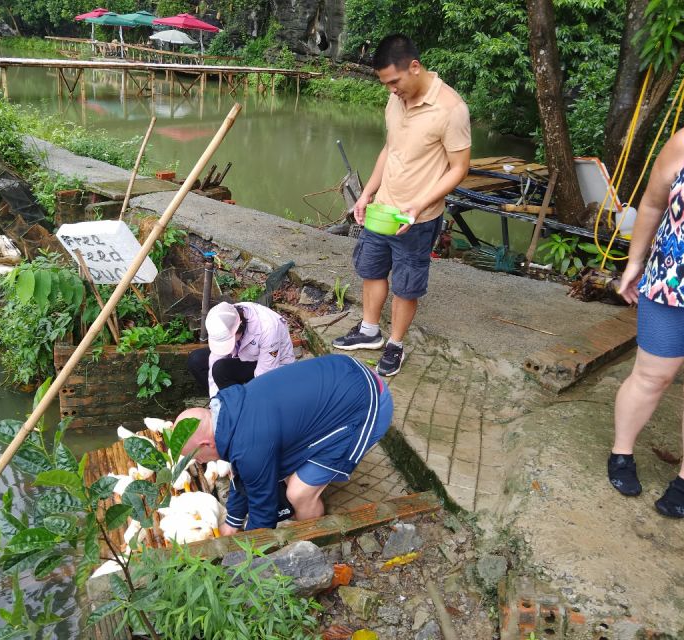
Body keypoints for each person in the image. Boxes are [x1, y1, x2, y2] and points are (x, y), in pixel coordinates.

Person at [332, 34, 471, 376]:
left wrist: (419, 204)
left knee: (406, 285)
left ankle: (395, 344)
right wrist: (367, 194)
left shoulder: (452, 109)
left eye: (394, 81)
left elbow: (459, 169)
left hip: (419, 218)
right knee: (371, 269)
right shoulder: (395, 100)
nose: (391, 89)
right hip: (383, 208)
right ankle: (369, 331)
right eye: (385, 84)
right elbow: (389, 150)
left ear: (414, 67)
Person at [611, 113, 684, 518]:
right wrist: (633, 264)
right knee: (652, 376)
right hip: (673, 285)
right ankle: (621, 452)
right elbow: (653, 204)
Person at [176, 354, 393, 533]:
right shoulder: (227, 409)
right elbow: (241, 472)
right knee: (282, 471)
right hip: (346, 369)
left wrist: (246, 554)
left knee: (298, 493)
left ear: (206, 444)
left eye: (195, 457)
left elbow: (264, 512)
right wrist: (233, 522)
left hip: (367, 403)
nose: (198, 461)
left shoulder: (249, 446)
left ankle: (312, 538)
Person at [187, 301, 295, 397]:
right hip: (244, 355)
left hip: (273, 366)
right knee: (196, 359)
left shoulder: (268, 328)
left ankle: (239, 409)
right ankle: (224, 402)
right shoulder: (226, 316)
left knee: (220, 369)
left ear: (240, 326)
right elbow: (214, 358)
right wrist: (215, 398)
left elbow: (264, 377)